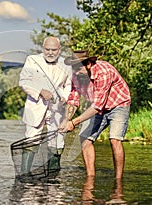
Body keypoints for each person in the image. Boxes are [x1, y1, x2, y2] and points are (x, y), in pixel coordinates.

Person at [59, 50, 131, 179]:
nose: (75, 71)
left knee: (114, 140)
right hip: (98, 107)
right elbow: (74, 99)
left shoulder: (104, 72)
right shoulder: (76, 75)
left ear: (88, 64)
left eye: (78, 67)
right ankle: (90, 177)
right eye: (73, 68)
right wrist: (66, 119)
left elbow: (97, 106)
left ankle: (118, 179)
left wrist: (74, 122)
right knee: (85, 138)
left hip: (118, 104)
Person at [18, 36, 72, 178]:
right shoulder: (32, 60)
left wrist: (65, 97)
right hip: (35, 106)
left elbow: (68, 85)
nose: (50, 52)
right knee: (31, 138)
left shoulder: (66, 65)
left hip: (57, 109)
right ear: (42, 48)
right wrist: (40, 91)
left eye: (53, 50)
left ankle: (52, 178)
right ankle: (24, 175)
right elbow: (24, 81)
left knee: (57, 140)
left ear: (59, 50)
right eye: (47, 49)